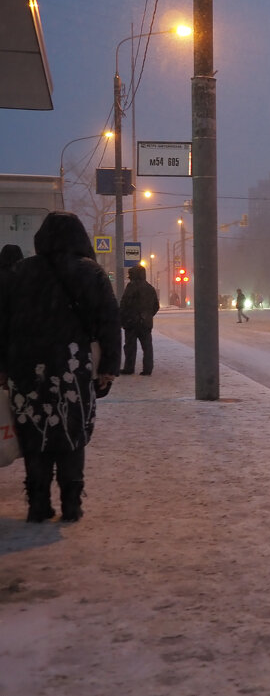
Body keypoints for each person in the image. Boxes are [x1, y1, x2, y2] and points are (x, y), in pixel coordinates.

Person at [0, 212, 120, 522]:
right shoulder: (91, 273)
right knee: (72, 431)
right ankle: (71, 503)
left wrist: (3, 366)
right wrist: (108, 366)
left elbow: (2, 324)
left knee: (34, 431)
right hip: (72, 365)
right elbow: (109, 322)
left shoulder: (18, 273)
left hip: (26, 367)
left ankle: (38, 503)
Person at [119, 264, 159, 375]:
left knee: (130, 347)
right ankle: (147, 369)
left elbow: (124, 304)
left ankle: (129, 368)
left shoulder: (131, 287)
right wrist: (148, 315)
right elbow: (156, 306)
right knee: (147, 347)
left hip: (131, 323)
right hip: (145, 323)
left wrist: (123, 318)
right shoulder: (150, 288)